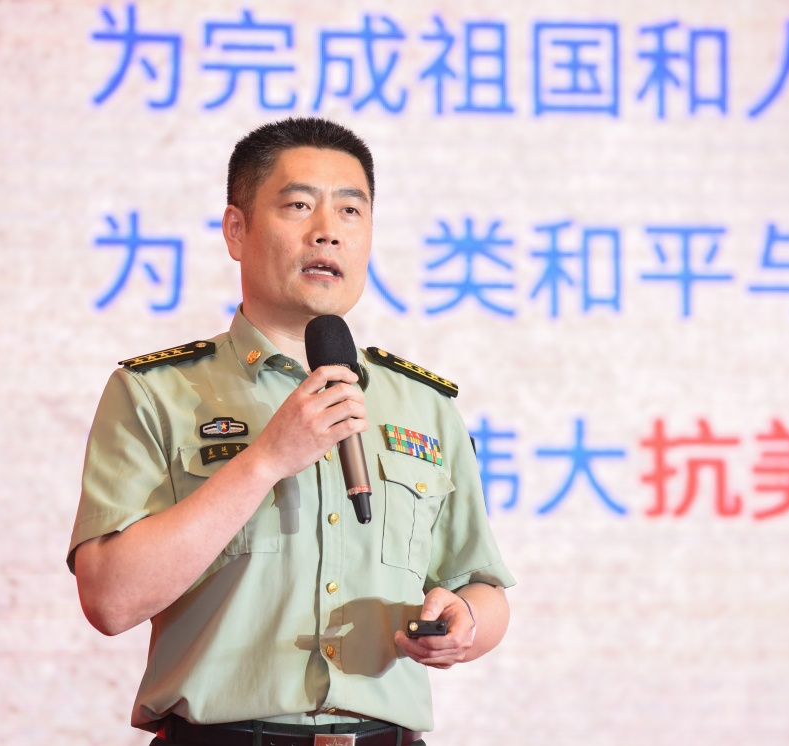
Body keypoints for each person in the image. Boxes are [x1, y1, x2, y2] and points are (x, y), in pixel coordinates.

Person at [67, 117, 515, 746]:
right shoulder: (155, 393)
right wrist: (266, 461)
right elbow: (111, 601)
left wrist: (464, 621)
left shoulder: (425, 405)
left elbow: (481, 585)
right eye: (299, 205)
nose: (328, 230)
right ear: (237, 230)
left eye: (350, 210)